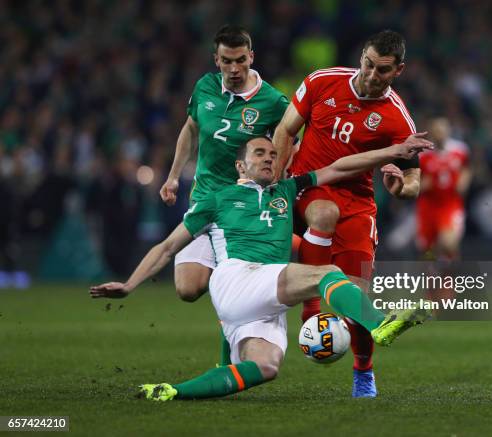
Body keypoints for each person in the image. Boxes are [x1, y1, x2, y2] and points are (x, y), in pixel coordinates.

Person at [90, 136, 433, 401]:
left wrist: (394, 152)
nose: (269, 158)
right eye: (259, 154)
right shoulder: (216, 200)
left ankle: (173, 390)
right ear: (240, 166)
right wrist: (130, 284)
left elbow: (341, 167)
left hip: (262, 299)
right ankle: (378, 325)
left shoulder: (286, 189)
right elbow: (167, 247)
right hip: (238, 276)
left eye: (272, 155)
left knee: (266, 366)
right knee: (326, 275)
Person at [273, 30, 422, 397]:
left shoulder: (397, 119)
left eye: (383, 71)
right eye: (368, 64)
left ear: (398, 70)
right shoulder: (322, 82)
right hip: (307, 187)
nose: (372, 76)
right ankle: (310, 311)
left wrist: (402, 188)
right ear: (361, 56)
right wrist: (275, 187)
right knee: (323, 212)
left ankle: (363, 371)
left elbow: (414, 177)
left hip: (357, 204)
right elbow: (285, 130)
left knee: (357, 295)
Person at [158, 25, 288, 364]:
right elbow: (190, 129)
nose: (234, 69)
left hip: (241, 209)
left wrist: (278, 179)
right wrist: (173, 177)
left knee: (229, 286)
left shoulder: (273, 101)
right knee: (188, 289)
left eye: (240, 61)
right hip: (204, 201)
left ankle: (230, 353)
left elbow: (290, 140)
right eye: (226, 61)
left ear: (251, 58)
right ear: (216, 59)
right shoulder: (204, 87)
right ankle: (236, 308)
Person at [416, 117, 471, 260]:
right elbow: (413, 182)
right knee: (428, 250)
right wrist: (422, 186)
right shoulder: (423, 156)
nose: (440, 134)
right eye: (437, 131)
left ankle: (451, 278)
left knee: (449, 244)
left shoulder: (460, 150)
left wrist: (464, 180)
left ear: (448, 131)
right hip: (428, 206)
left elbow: (467, 169)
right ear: (432, 133)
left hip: (450, 204)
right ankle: (432, 279)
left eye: (442, 130)